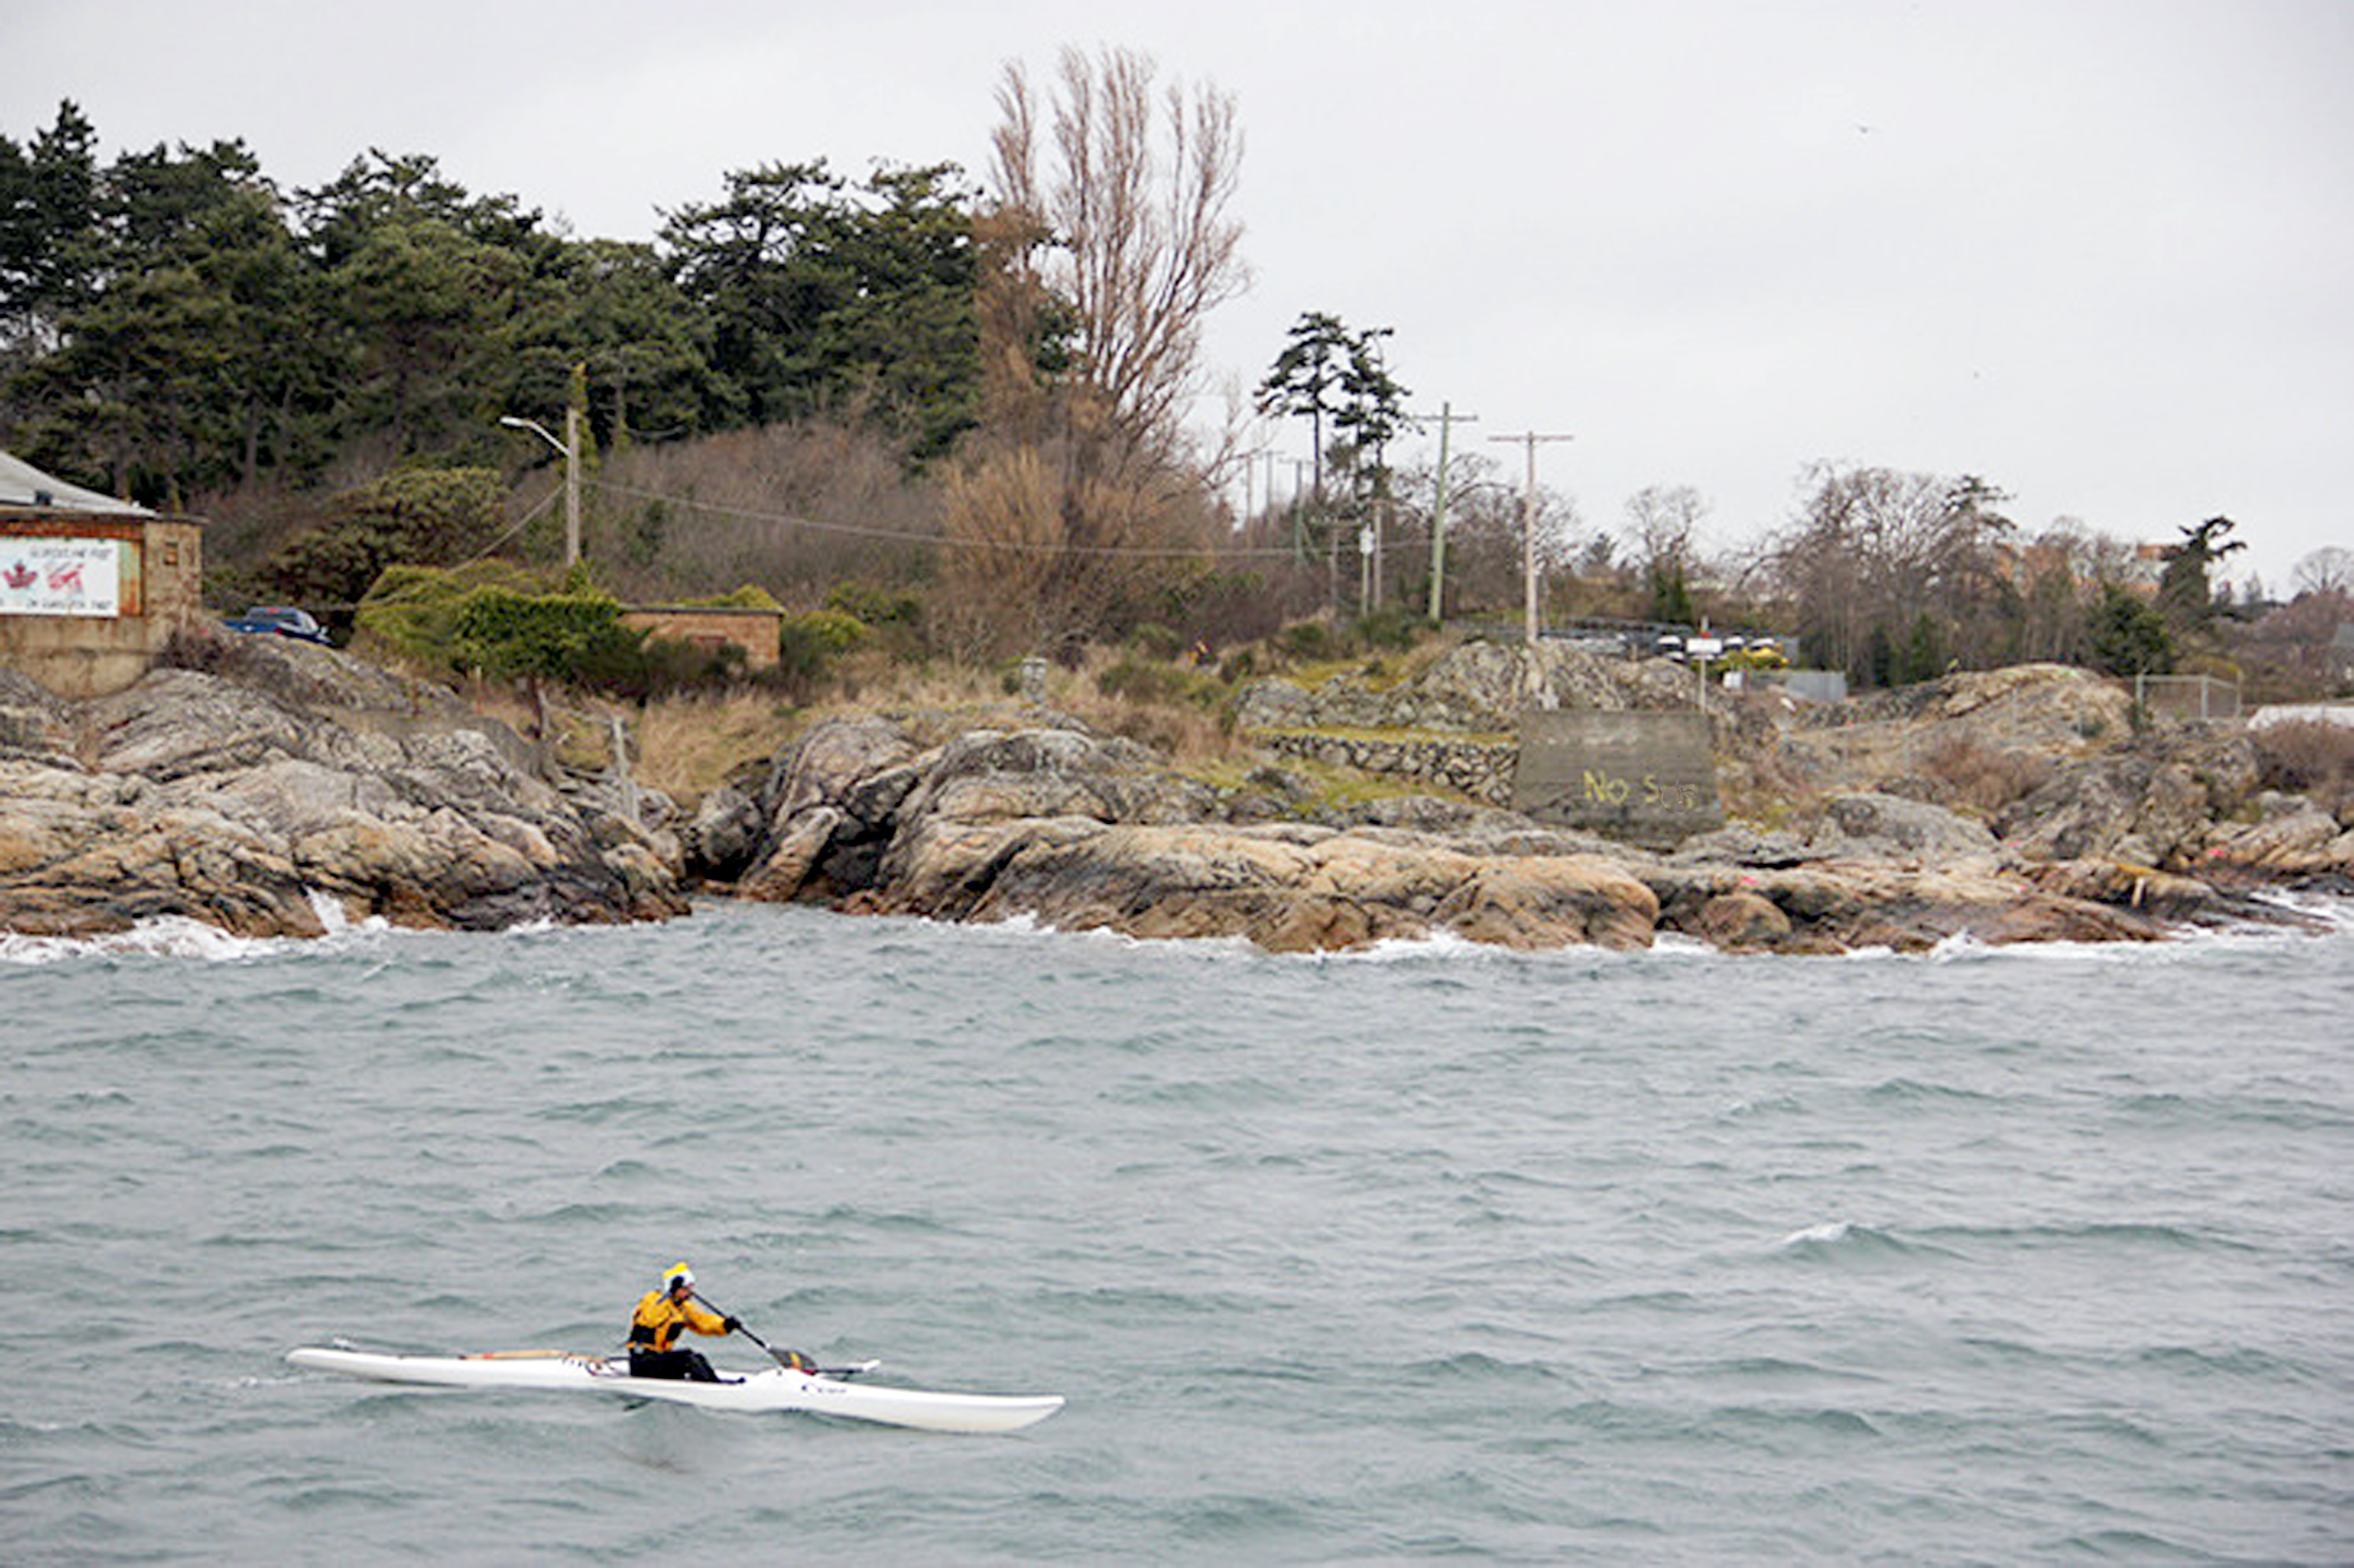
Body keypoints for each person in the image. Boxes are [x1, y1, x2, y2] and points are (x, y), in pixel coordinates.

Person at [626, 1262, 740, 1381]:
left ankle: (711, 1382)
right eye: (686, 1288)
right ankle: (713, 1388)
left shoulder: (683, 1309)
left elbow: (704, 1322)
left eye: (691, 1288)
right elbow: (652, 1318)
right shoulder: (654, 1300)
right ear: (674, 1287)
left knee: (698, 1358)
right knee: (687, 1358)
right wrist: (671, 1291)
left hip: (661, 1359)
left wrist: (725, 1325)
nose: (690, 1292)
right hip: (643, 1362)